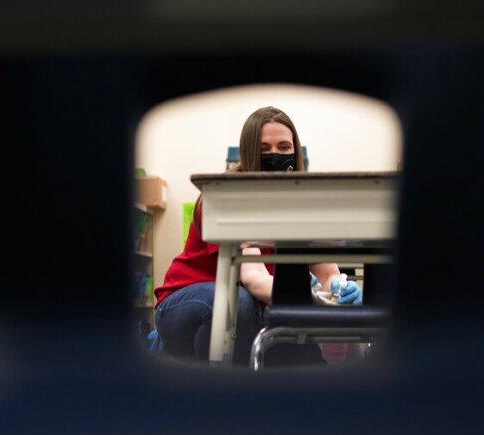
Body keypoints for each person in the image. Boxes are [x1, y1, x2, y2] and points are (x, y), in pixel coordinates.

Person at [153, 106, 362, 365]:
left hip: (250, 304)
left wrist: (340, 289)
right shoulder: (224, 196)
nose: (275, 155)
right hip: (187, 300)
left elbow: (327, 271)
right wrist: (308, 296)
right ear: (249, 152)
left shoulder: (303, 201)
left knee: (272, 323)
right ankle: (222, 394)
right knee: (238, 303)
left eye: (284, 147)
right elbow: (254, 279)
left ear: (295, 151)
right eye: (264, 149)